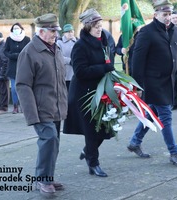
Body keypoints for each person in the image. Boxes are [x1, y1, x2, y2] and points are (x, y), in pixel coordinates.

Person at [127, 0, 177, 167]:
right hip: (152, 83)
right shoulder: (146, 32)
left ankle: (135, 142)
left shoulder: (175, 31)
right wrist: (137, 86)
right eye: (165, 14)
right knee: (165, 117)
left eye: (170, 14)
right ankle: (174, 152)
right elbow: (137, 62)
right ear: (156, 15)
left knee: (152, 114)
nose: (168, 17)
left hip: (169, 82)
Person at [16, 13, 67, 195]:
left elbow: (59, 80)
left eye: (56, 31)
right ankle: (43, 180)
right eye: (52, 31)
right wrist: (31, 115)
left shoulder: (56, 49)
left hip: (56, 107)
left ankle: (47, 177)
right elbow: (22, 85)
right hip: (40, 109)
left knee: (54, 143)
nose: (55, 34)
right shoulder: (29, 52)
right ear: (41, 31)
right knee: (49, 139)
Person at [63, 8, 115, 177]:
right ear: (86, 27)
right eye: (95, 26)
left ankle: (87, 151)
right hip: (85, 94)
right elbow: (80, 71)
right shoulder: (80, 46)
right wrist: (104, 68)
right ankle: (93, 163)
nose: (99, 29)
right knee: (92, 130)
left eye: (100, 25)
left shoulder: (104, 40)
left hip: (102, 90)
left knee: (105, 128)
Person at [4, 23, 30, 114]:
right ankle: (15, 106)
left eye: (17, 28)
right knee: (14, 88)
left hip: (24, 66)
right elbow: (5, 51)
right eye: (14, 28)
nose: (16, 29)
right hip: (12, 67)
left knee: (23, 88)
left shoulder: (26, 39)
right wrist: (12, 55)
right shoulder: (9, 39)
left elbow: (29, 51)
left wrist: (21, 56)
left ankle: (23, 105)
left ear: (21, 29)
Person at [56, 24, 77, 90]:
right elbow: (58, 56)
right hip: (65, 73)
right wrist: (70, 61)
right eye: (68, 32)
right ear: (64, 33)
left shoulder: (78, 41)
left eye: (71, 31)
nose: (70, 33)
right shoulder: (59, 42)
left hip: (76, 72)